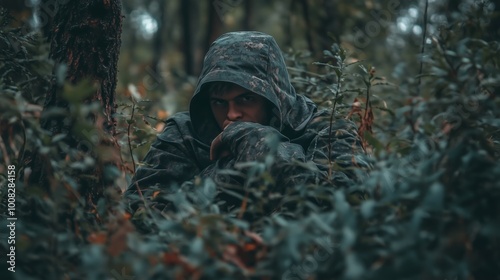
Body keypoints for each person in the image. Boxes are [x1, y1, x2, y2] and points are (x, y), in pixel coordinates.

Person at [125, 31, 369, 218]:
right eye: (219, 102)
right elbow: (140, 215)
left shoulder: (324, 128)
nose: (231, 114)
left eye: (246, 98)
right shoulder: (186, 132)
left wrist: (258, 144)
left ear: (274, 96)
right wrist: (223, 175)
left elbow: (348, 207)